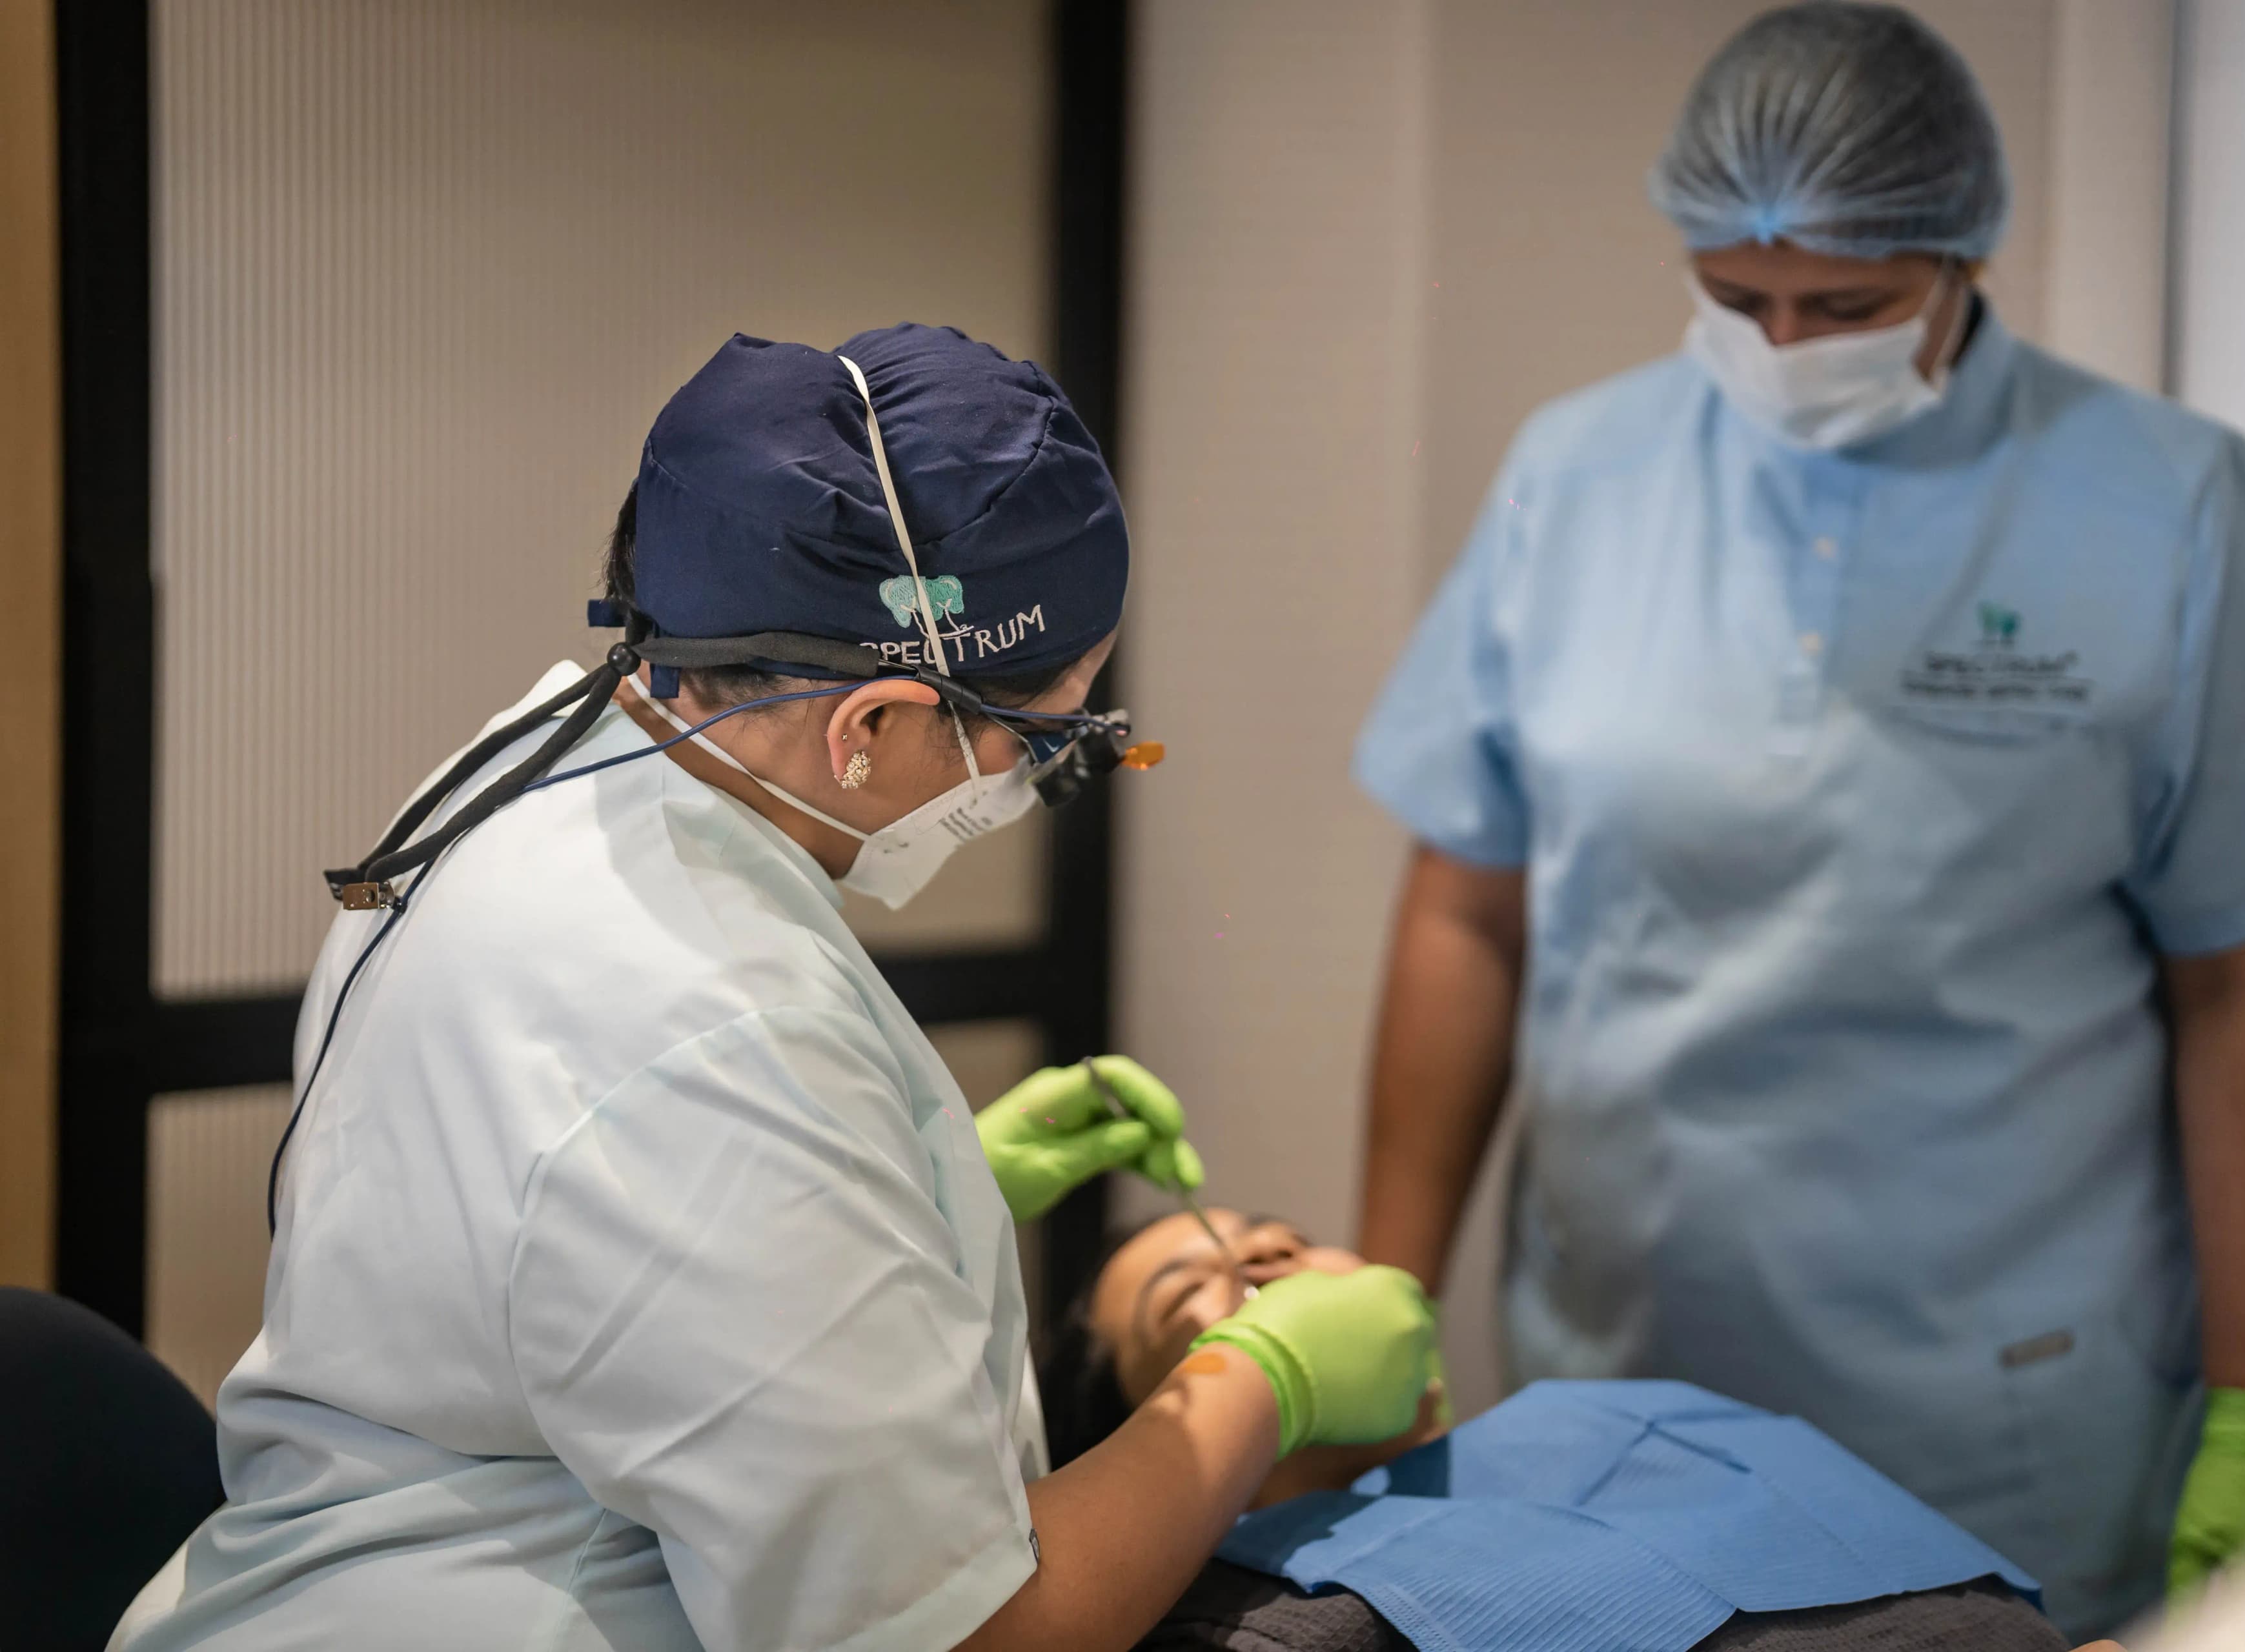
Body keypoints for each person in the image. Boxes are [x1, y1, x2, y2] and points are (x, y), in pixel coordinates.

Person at [1350, 3, 2245, 1639]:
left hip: (2001, 1409)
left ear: (1963, 252)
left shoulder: (2164, 500)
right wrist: (1387, 1296)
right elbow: (1466, 905)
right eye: (1737, 301)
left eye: (1846, 306)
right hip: (1613, 1380)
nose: (1785, 345)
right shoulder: (1573, 477)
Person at [122, 325, 1437, 1652]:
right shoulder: (715, 1030)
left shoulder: (552, 767)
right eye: (1045, 737)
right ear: (869, 727)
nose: (1035, 781)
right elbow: (969, 1635)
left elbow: (585, 1232)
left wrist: (917, 1189)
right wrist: (1261, 1380)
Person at [1044, 1210, 2071, 1651]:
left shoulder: (1654, 1412)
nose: (1263, 1257)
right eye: (1191, 1294)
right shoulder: (1248, 1624)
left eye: (1280, 1238)